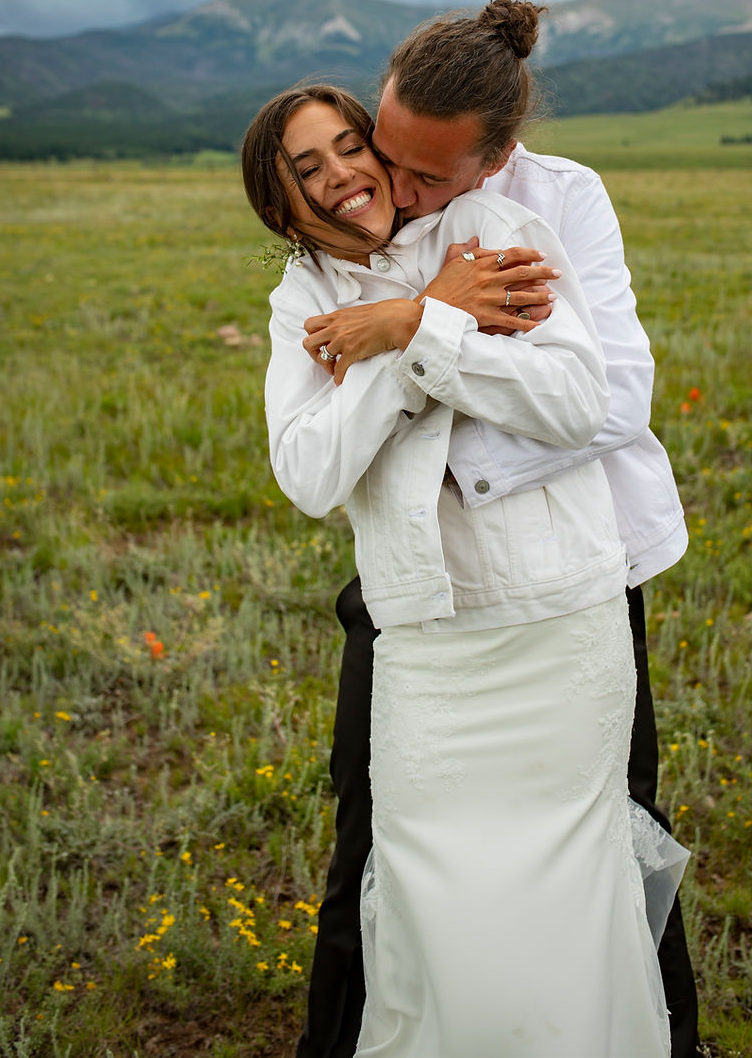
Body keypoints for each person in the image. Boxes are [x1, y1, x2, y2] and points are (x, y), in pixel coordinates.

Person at [243, 75, 687, 1056]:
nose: (341, 175)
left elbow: (583, 403)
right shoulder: (299, 304)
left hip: (555, 609)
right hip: (422, 636)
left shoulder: (489, 221)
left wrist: (408, 325)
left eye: (348, 147)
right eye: (305, 168)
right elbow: (310, 472)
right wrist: (419, 335)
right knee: (418, 888)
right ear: (277, 205)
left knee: (582, 877)